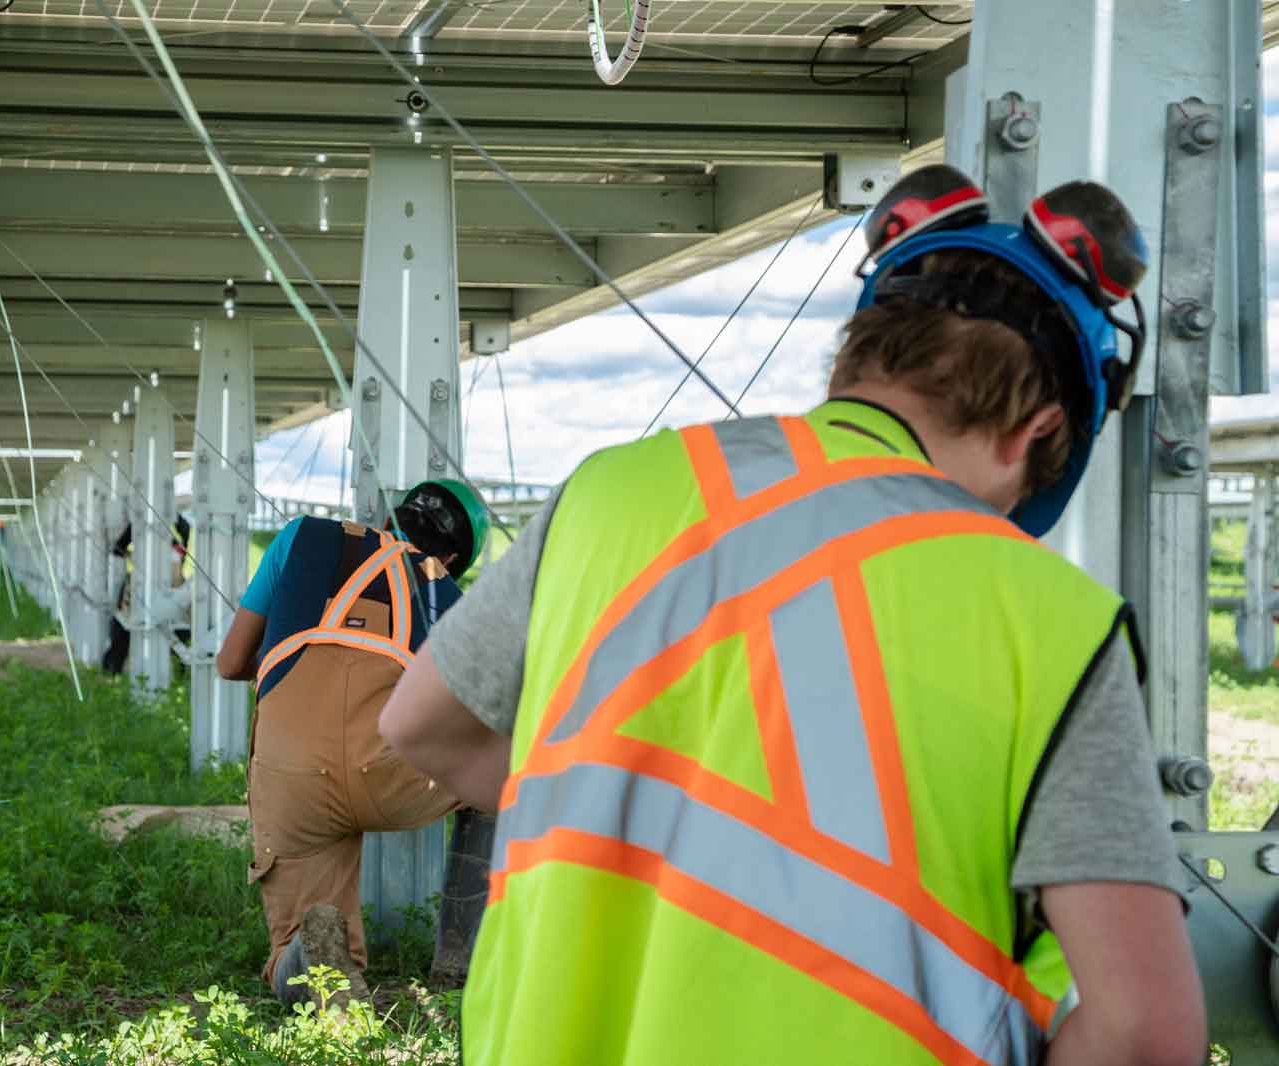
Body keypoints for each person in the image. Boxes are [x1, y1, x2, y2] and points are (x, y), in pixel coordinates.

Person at [379, 166, 1207, 1066]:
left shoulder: (613, 495)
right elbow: (1142, 1035)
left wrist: (626, 812)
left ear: (859, 353)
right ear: (1039, 433)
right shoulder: (1051, 618)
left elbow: (419, 723)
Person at [215, 479, 492, 1008]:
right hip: (393, 773)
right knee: (498, 781)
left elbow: (231, 663)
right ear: (452, 555)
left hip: (293, 774)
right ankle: (460, 963)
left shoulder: (301, 537)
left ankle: (310, 961)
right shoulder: (445, 590)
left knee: (295, 941)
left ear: (390, 518)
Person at [101, 514, 191, 676]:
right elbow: (118, 549)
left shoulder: (169, 543)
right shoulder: (174, 544)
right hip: (160, 598)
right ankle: (113, 668)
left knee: (124, 631)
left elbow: (118, 549)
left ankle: (113, 669)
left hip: (154, 597)